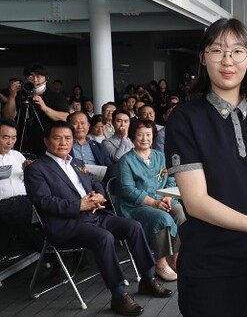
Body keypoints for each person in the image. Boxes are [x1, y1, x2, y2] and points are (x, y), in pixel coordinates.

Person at [165, 18, 247, 317]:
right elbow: (196, 203)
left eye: (237, 51)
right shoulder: (185, 119)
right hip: (209, 265)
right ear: (203, 58)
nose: (227, 60)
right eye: (217, 51)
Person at [23, 121, 172, 316]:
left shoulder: (76, 162)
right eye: (57, 138)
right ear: (46, 141)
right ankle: (118, 295)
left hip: (94, 215)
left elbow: (95, 182)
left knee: (133, 227)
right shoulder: (36, 169)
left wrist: (100, 195)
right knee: (104, 237)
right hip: (65, 224)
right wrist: (79, 205)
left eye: (68, 138)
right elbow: (44, 202)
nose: (63, 142)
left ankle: (148, 279)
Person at [118, 118, 185, 283]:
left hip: (162, 199)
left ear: (153, 136)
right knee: (162, 218)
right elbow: (127, 190)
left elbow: (171, 180)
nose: (144, 139)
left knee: (179, 211)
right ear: (133, 136)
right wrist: (154, 203)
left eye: (148, 134)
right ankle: (160, 263)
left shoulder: (161, 156)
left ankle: (177, 259)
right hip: (136, 206)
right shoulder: (126, 160)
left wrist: (168, 197)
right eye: (140, 134)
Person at [2, 63, 70, 156]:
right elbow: (8, 116)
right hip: (21, 144)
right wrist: (12, 95)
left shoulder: (56, 97)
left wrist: (45, 108)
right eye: (31, 77)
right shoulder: (19, 95)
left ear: (46, 78)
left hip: (46, 145)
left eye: (38, 76)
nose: (35, 80)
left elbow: (66, 118)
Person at [0, 119, 43, 259]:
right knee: (18, 221)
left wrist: (28, 172)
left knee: (13, 219)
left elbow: (30, 183)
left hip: (24, 201)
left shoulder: (17, 156)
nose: (10, 142)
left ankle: (3, 250)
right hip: (3, 204)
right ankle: (48, 253)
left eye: (14, 138)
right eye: (5, 138)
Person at [68, 111, 114, 181]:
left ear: (88, 126)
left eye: (82, 123)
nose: (79, 127)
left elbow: (109, 169)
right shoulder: (65, 147)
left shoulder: (98, 146)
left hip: (98, 183)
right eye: (75, 123)